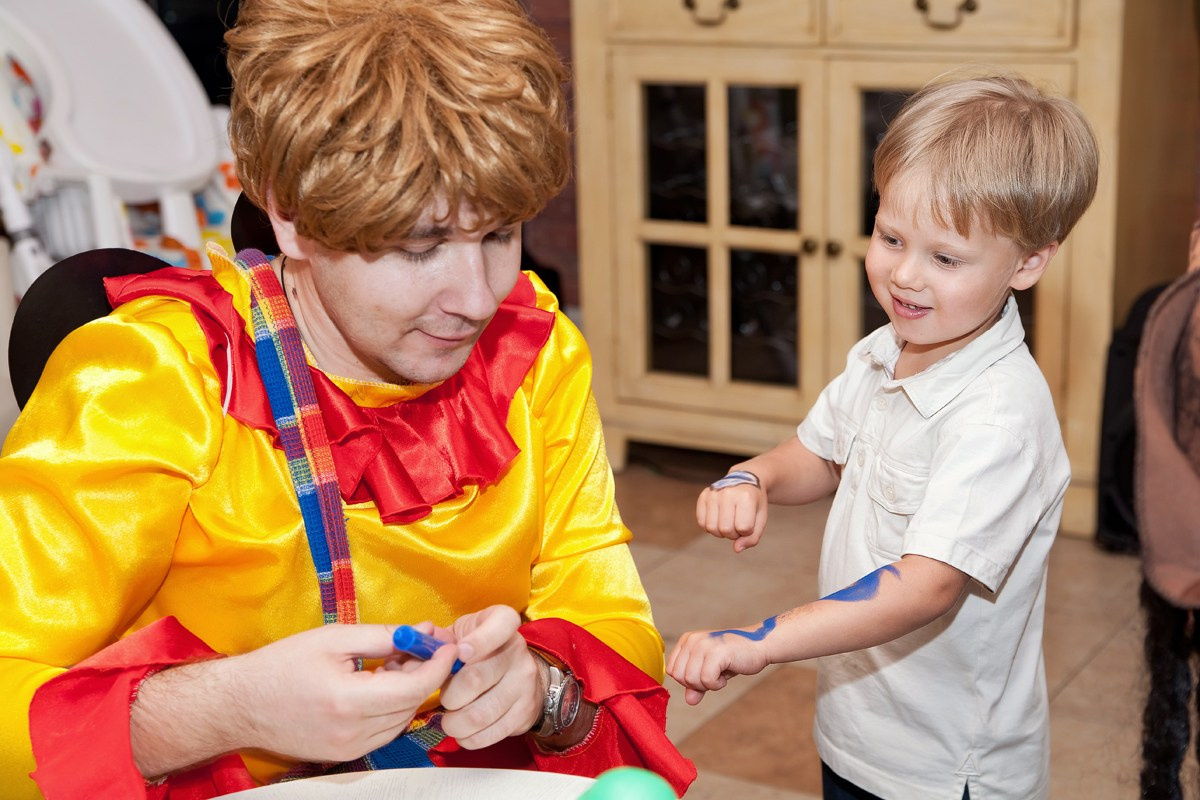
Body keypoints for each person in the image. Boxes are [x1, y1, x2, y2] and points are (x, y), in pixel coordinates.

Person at [0, 1, 695, 797]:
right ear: (290, 215)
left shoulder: (532, 351)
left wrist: (540, 683)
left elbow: (610, 609)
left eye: (500, 234)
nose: (475, 297)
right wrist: (225, 709)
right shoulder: (155, 382)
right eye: (418, 246)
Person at [667, 71, 1099, 800]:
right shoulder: (884, 350)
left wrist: (761, 641)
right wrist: (757, 475)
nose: (903, 274)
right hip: (859, 726)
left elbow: (926, 586)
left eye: (945, 258)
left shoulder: (997, 417)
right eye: (890, 236)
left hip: (942, 768)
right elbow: (822, 453)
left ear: (1028, 262)